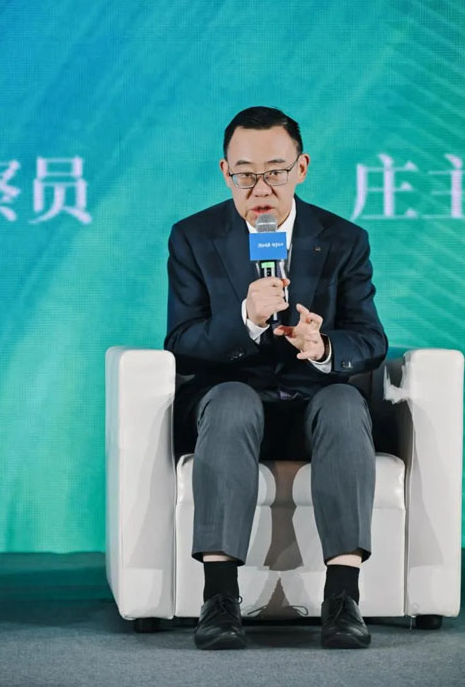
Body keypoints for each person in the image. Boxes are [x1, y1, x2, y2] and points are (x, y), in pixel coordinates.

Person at [164, 105, 388, 650]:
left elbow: (370, 339)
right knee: (234, 401)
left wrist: (321, 346)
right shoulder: (194, 237)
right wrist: (245, 319)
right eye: (245, 174)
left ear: (301, 168)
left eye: (275, 172)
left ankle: (343, 600)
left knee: (344, 404)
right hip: (227, 405)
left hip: (313, 402)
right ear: (225, 173)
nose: (260, 188)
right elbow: (182, 341)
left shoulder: (344, 239)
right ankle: (219, 601)